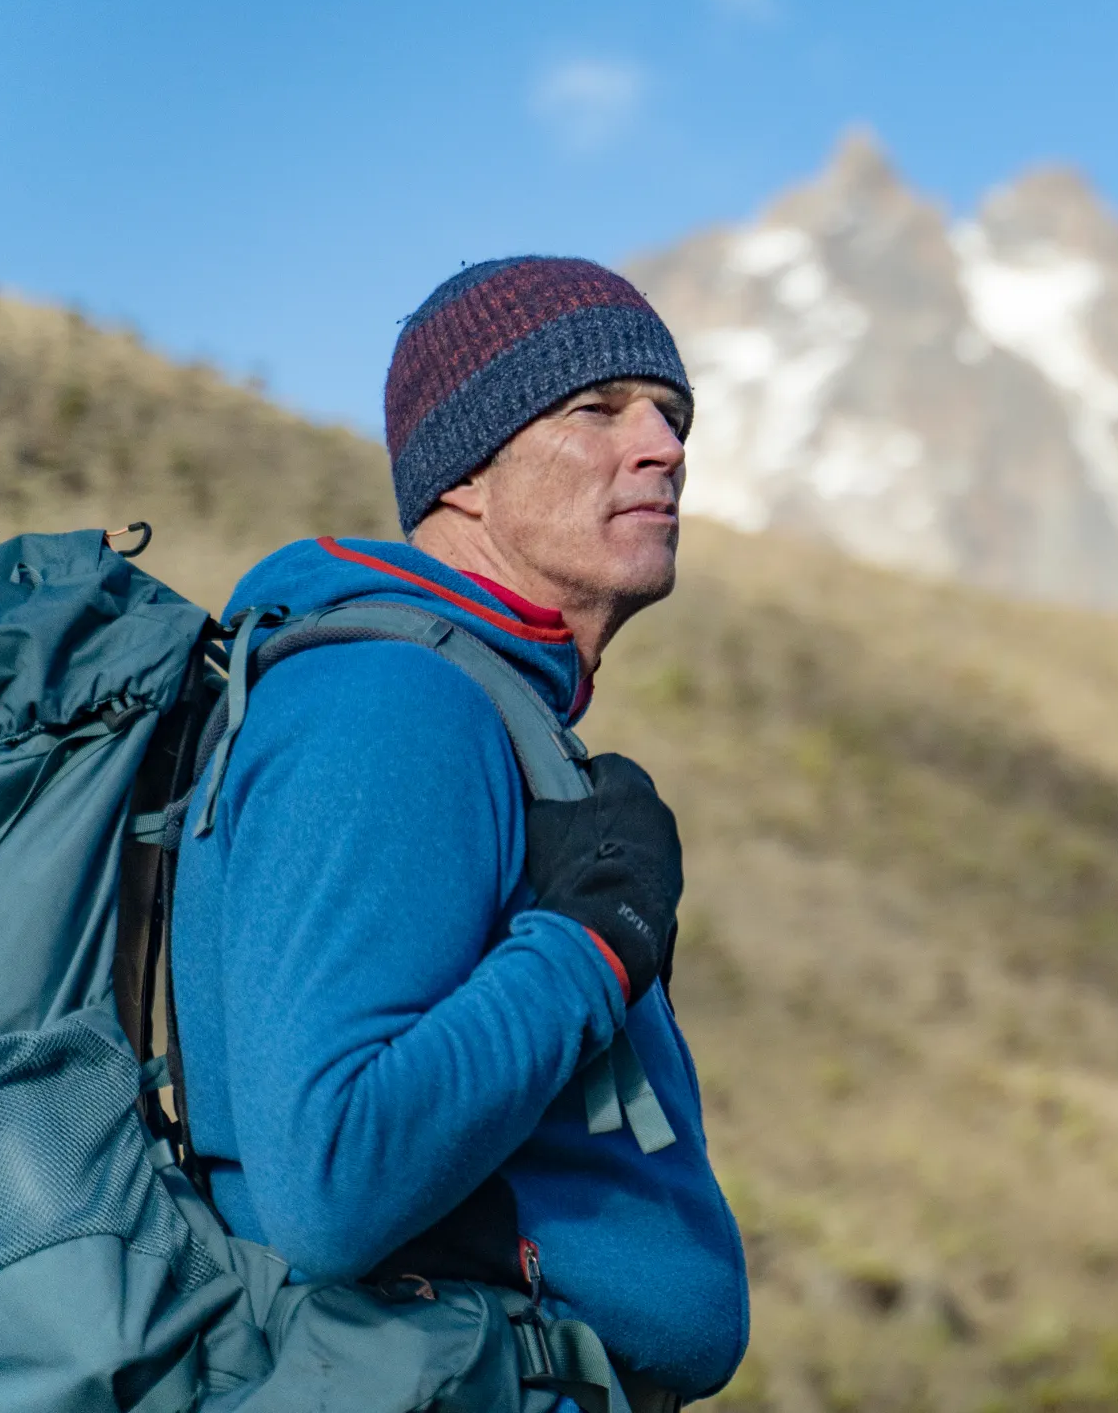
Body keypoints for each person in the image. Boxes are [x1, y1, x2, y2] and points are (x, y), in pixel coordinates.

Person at [170, 257, 749, 1411]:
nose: (665, 446)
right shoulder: (392, 704)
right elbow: (331, 1176)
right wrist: (592, 945)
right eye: (597, 410)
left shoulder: (471, 702)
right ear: (467, 471)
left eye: (672, 416)